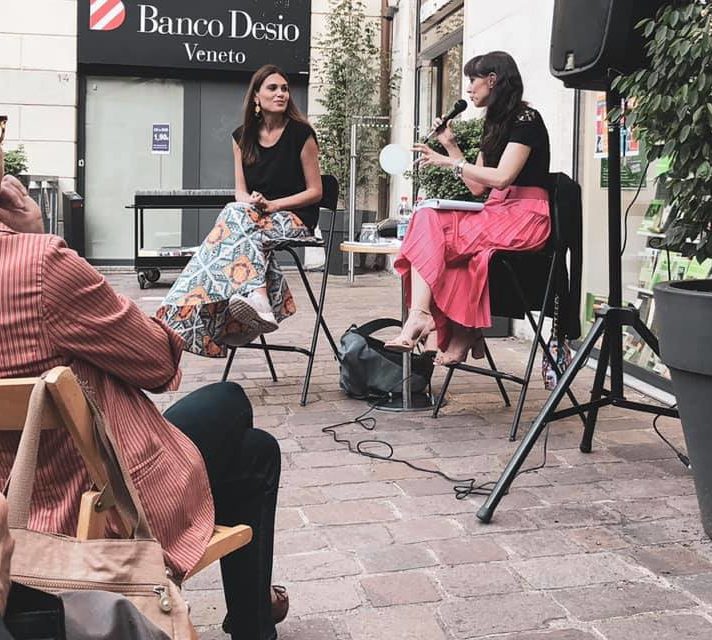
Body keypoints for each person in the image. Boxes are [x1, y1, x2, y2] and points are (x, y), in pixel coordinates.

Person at [0, 172, 286, 640]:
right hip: (95, 506)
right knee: (235, 410)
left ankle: (255, 621)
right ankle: (254, 625)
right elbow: (155, 363)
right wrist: (32, 235)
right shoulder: (38, 265)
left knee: (254, 448)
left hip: (12, 506)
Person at [385, 51, 551, 365]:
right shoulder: (495, 124)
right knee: (428, 220)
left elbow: (502, 178)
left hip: (525, 216)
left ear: (493, 79)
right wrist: (450, 144)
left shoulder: (526, 119)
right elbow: (478, 187)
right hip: (498, 212)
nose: (469, 89)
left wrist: (452, 162)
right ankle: (451, 329)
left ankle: (424, 319)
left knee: (432, 226)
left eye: (472, 80)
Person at [157, 64, 322, 356]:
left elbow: (315, 192)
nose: (281, 93)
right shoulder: (241, 137)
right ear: (256, 96)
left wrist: (273, 205)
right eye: (273, 88)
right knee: (235, 215)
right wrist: (253, 202)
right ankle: (255, 304)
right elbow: (240, 192)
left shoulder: (301, 134)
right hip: (256, 218)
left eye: (284, 88)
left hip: (295, 218)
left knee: (231, 228)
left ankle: (177, 313)